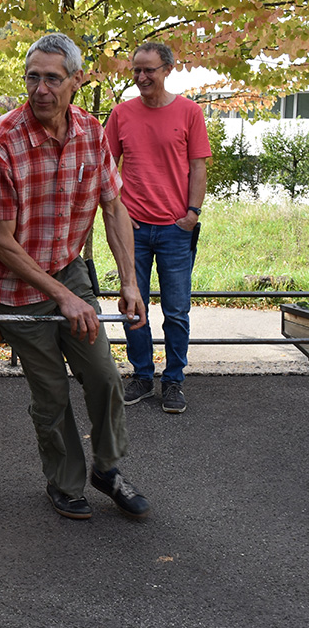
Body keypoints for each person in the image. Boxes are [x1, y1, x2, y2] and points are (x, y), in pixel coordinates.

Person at [0, 33, 151, 520]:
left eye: (52, 78)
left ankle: (107, 470)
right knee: (50, 393)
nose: (41, 88)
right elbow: (3, 243)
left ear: (76, 80)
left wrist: (129, 282)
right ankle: (65, 482)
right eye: (33, 77)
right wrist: (63, 299)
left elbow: (114, 207)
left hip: (68, 268)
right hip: (12, 286)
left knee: (105, 377)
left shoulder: (91, 132)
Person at [105, 42, 212, 414]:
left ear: (167, 69)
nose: (141, 77)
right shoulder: (121, 114)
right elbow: (107, 167)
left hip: (175, 229)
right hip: (132, 227)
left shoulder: (189, 112)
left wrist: (192, 214)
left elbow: (198, 166)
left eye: (149, 69)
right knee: (134, 306)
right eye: (136, 70)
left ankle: (174, 381)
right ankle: (142, 375)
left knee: (177, 310)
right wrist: (118, 212)